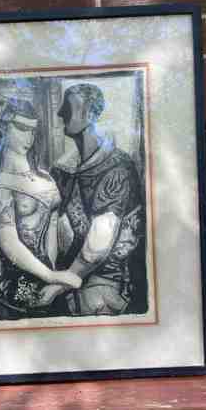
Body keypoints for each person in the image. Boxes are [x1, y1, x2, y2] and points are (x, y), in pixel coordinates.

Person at [38, 83, 147, 315]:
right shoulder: (63, 170)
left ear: (89, 114)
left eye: (68, 107)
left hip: (107, 281)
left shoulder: (118, 169)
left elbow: (98, 245)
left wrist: (59, 285)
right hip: (67, 273)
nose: (60, 113)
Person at [0, 97, 81, 320]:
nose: (30, 137)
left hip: (53, 284)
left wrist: (56, 278)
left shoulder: (46, 179)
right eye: (22, 129)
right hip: (17, 288)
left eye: (33, 130)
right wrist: (50, 276)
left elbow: (57, 233)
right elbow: (9, 243)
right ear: (3, 127)